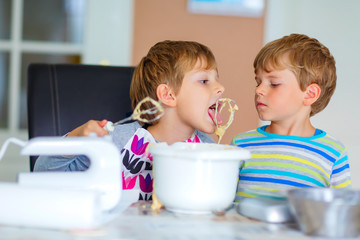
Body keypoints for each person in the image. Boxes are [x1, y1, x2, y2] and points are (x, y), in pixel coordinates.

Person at [34, 40, 225, 201]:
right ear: (168, 95)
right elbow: (43, 175)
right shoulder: (117, 142)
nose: (221, 88)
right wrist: (78, 138)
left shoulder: (207, 150)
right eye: (204, 81)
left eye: (217, 79)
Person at [231, 33, 351, 201]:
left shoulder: (333, 153)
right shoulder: (239, 146)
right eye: (258, 82)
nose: (259, 90)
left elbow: (340, 214)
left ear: (310, 94)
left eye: (274, 84)